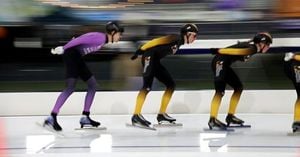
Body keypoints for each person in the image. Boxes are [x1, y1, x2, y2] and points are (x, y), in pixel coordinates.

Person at [44, 21, 124, 131]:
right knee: (70, 88)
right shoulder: (99, 37)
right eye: (120, 34)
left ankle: (85, 116)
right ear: (113, 32)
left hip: (76, 57)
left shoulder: (102, 42)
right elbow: (80, 39)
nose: (120, 37)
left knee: (93, 85)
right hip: (71, 55)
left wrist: (71, 45)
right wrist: (64, 48)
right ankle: (52, 117)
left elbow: (80, 42)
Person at [130, 24, 198, 128]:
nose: (195, 38)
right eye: (194, 36)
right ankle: (136, 115)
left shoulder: (179, 43)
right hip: (148, 57)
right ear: (187, 34)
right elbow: (156, 41)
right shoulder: (175, 38)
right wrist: (141, 49)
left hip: (155, 60)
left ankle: (161, 114)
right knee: (147, 87)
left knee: (171, 85)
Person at [208, 32, 273, 130]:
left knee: (238, 87)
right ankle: (212, 119)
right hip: (219, 63)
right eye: (268, 44)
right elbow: (239, 52)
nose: (268, 47)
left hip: (224, 65)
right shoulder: (252, 48)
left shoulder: (252, 47)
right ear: (262, 43)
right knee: (219, 91)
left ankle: (230, 116)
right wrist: (220, 50)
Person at [283, 52, 300, 132]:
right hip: (295, 68)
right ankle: (297, 122)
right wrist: (293, 56)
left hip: (293, 68)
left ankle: (297, 121)